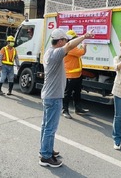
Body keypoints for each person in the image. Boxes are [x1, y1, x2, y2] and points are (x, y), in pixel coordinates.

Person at [39, 28, 93, 168]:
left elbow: (69, 47)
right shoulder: (56, 54)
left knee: (46, 126)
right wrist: (85, 36)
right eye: (65, 40)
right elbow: (69, 46)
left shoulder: (49, 52)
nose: (67, 43)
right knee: (50, 128)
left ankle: (46, 150)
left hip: (49, 95)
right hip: (53, 96)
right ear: (61, 41)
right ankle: (46, 157)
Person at [62, 30, 89, 119]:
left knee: (77, 93)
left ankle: (78, 108)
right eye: (74, 38)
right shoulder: (70, 48)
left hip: (77, 74)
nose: (76, 40)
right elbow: (82, 52)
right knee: (67, 94)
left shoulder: (72, 48)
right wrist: (84, 46)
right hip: (70, 75)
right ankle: (64, 110)